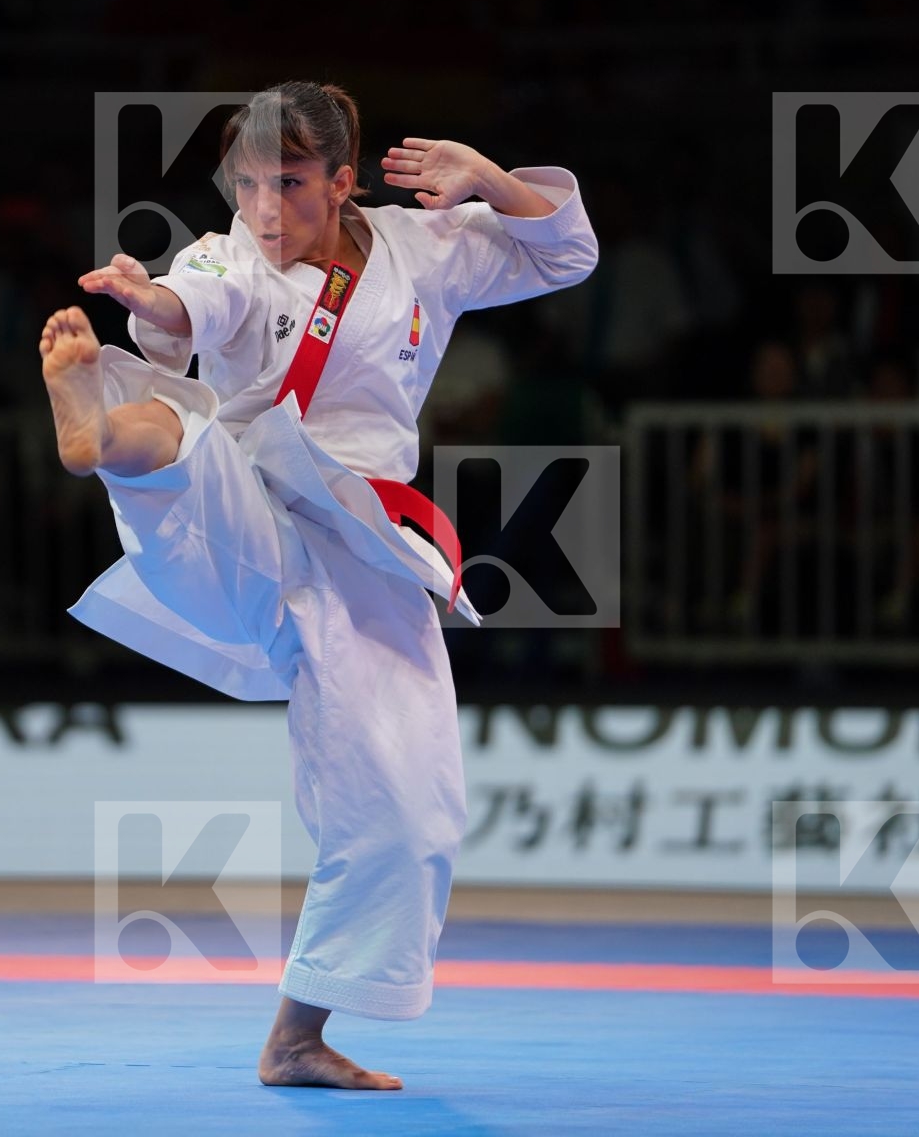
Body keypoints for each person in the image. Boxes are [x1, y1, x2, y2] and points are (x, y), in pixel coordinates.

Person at [40, 82, 597, 1088]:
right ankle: (101, 430)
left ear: (345, 182)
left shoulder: (425, 251)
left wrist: (484, 179)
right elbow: (194, 299)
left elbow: (566, 252)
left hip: (364, 542)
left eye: (288, 185)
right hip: (243, 513)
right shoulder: (231, 255)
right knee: (180, 427)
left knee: (411, 807)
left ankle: (297, 1036)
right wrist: (142, 296)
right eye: (245, 184)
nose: (263, 207)